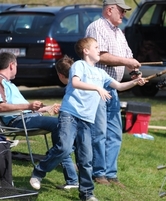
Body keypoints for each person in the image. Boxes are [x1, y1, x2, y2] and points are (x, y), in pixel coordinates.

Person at [29, 37, 146, 201]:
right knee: (64, 147)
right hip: (70, 114)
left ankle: (87, 193)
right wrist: (98, 88)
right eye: (96, 47)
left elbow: (119, 86)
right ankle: (39, 172)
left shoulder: (100, 72)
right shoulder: (79, 65)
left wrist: (135, 82)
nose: (99, 50)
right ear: (86, 51)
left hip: (86, 120)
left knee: (86, 158)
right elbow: (75, 83)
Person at [0, 52, 79, 189]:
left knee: (64, 132)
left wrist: (47, 108)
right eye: (17, 65)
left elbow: (26, 108)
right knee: (63, 127)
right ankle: (53, 162)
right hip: (18, 121)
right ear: (12, 65)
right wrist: (29, 106)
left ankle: (67, 173)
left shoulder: (10, 85)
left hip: (28, 117)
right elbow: (1, 107)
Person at [85, 0, 140, 188]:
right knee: (99, 131)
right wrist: (127, 61)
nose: (123, 14)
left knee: (115, 133)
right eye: (121, 10)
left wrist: (134, 72)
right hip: (97, 88)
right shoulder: (97, 27)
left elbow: (128, 57)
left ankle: (111, 173)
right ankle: (98, 173)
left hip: (113, 89)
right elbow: (102, 56)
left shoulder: (118, 32)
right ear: (110, 10)